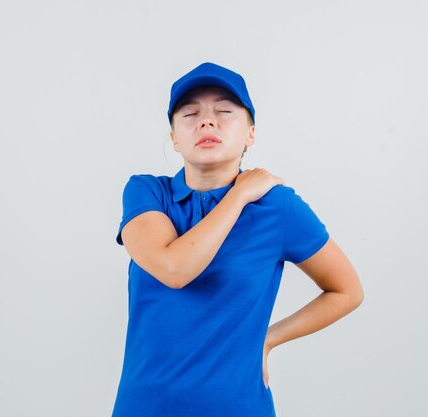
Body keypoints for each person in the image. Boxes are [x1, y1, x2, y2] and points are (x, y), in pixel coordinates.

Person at [111, 62, 364, 417]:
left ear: (251, 133)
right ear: (173, 137)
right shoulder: (146, 193)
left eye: (225, 111)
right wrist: (239, 195)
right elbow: (174, 269)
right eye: (190, 113)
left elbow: (347, 290)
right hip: (144, 407)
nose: (207, 121)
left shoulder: (278, 207)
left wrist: (270, 339)